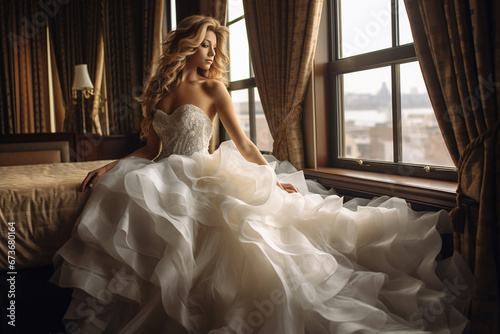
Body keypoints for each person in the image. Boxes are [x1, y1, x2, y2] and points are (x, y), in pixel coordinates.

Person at [52, 15, 471, 334]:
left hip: (203, 171)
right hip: (166, 173)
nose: (213, 54)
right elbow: (151, 149)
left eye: (216, 47)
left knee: (242, 241)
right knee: (125, 191)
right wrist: (110, 165)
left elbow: (246, 144)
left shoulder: (214, 90)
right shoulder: (159, 92)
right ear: (186, 45)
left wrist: (269, 178)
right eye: (205, 45)